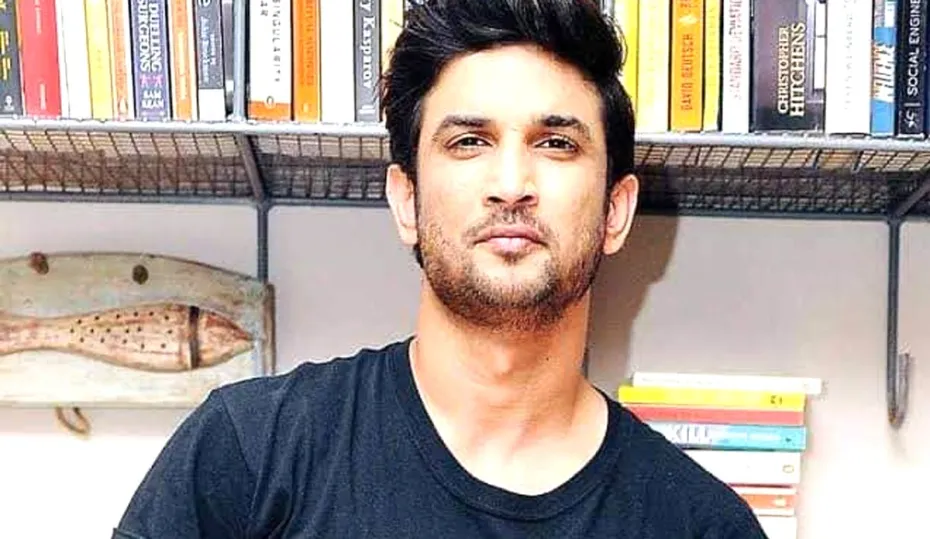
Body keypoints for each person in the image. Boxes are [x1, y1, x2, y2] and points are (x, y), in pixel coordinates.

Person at [113, 0, 769, 537]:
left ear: (615, 212)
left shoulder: (702, 525)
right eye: (469, 141)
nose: (511, 185)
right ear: (406, 200)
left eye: (556, 143)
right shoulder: (249, 453)